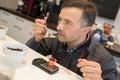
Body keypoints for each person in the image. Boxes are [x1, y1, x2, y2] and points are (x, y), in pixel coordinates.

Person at [26, 0, 117, 80]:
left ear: (85, 30)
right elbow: (27, 54)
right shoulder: (57, 39)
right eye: (60, 19)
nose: (58, 27)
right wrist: (36, 39)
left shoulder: (105, 59)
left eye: (68, 22)